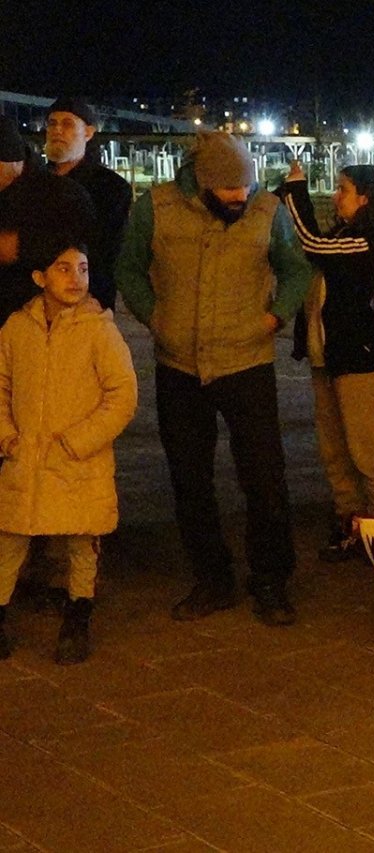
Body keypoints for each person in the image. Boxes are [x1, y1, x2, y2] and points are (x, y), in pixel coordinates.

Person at [116, 130, 311, 626]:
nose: (239, 198)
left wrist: (274, 318)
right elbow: (129, 269)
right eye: (228, 190)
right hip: (178, 365)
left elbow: (295, 272)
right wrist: (155, 317)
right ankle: (212, 578)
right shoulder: (155, 208)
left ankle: (271, 581)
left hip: (247, 362)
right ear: (201, 182)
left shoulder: (267, 211)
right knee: (189, 478)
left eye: (245, 188)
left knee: (265, 477)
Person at [0, 240, 137, 663]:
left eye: (82, 269)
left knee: (82, 542)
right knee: (10, 538)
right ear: (40, 277)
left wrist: (79, 441)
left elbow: (122, 394)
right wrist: (7, 436)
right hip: (27, 457)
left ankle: (77, 618)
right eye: (63, 269)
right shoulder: (16, 329)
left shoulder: (100, 330)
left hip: (79, 459)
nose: (75, 279)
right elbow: (0, 386)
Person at [279, 162, 374, 562]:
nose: (336, 196)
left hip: (355, 356)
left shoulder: (367, 240)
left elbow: (310, 242)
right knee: (333, 449)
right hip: (326, 355)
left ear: (365, 198)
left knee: (366, 450)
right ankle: (349, 522)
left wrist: (295, 191)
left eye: (343, 189)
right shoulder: (344, 235)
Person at [0, 116, 95, 323]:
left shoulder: (64, 197)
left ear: (14, 162)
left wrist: (20, 246)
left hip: (46, 320)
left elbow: (85, 252)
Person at [44, 97, 132, 310]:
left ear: (89, 133)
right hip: (37, 299)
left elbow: (105, 252)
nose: (57, 130)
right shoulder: (35, 180)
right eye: (52, 123)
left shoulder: (112, 188)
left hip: (87, 300)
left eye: (67, 124)